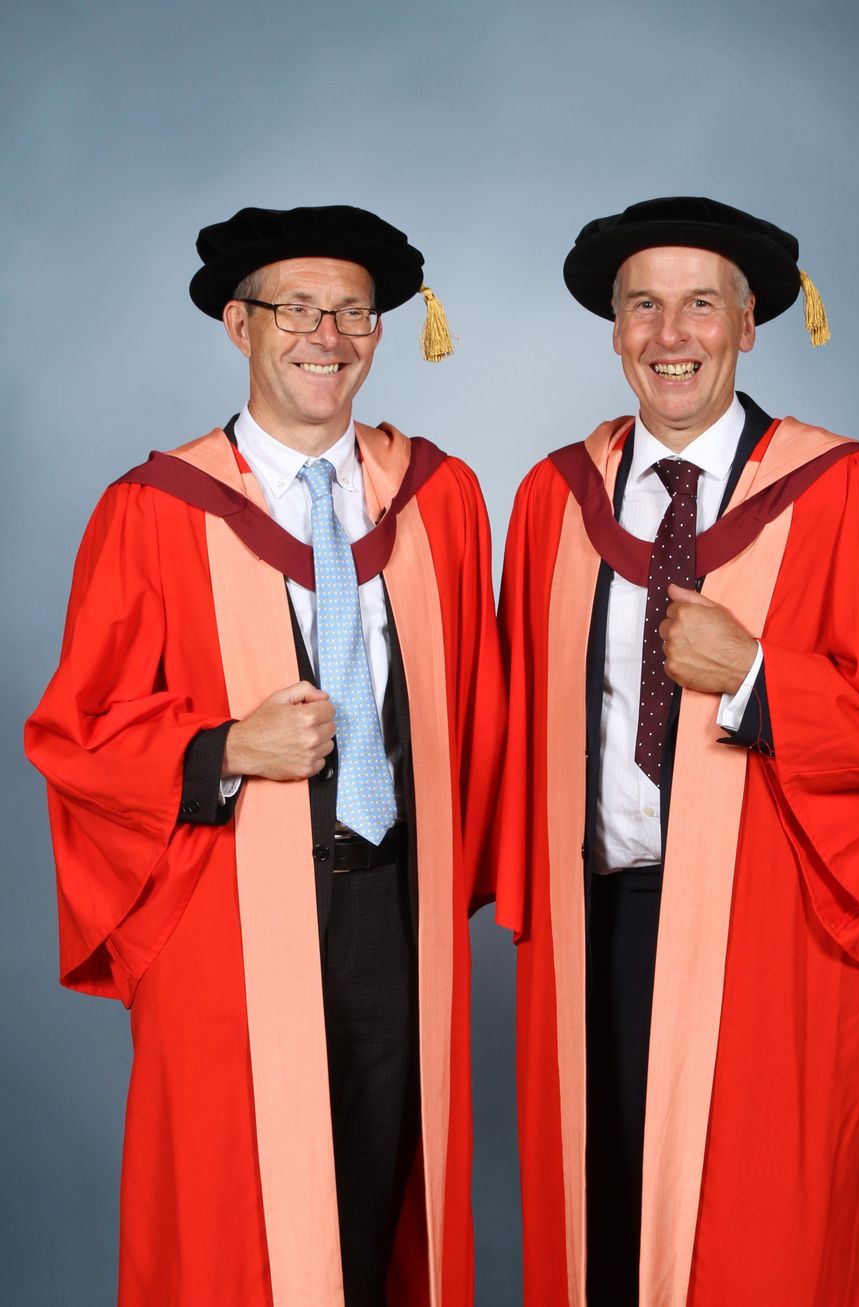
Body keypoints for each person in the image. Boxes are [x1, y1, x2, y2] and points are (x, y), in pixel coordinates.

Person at [25, 204, 504, 1307]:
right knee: (238, 1225)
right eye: (296, 309)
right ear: (239, 325)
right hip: (228, 914)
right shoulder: (152, 510)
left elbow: (489, 703)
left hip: (399, 911)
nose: (326, 337)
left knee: (382, 1205)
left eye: (352, 313)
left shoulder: (438, 500)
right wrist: (224, 746)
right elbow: (77, 731)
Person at [495, 196, 859, 1307]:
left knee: (753, 1246)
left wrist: (753, 675)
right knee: (605, 1234)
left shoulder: (847, 491)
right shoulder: (554, 501)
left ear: (749, 325)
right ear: (614, 329)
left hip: (774, 935)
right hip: (597, 925)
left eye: (701, 304)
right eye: (643, 306)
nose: (671, 335)